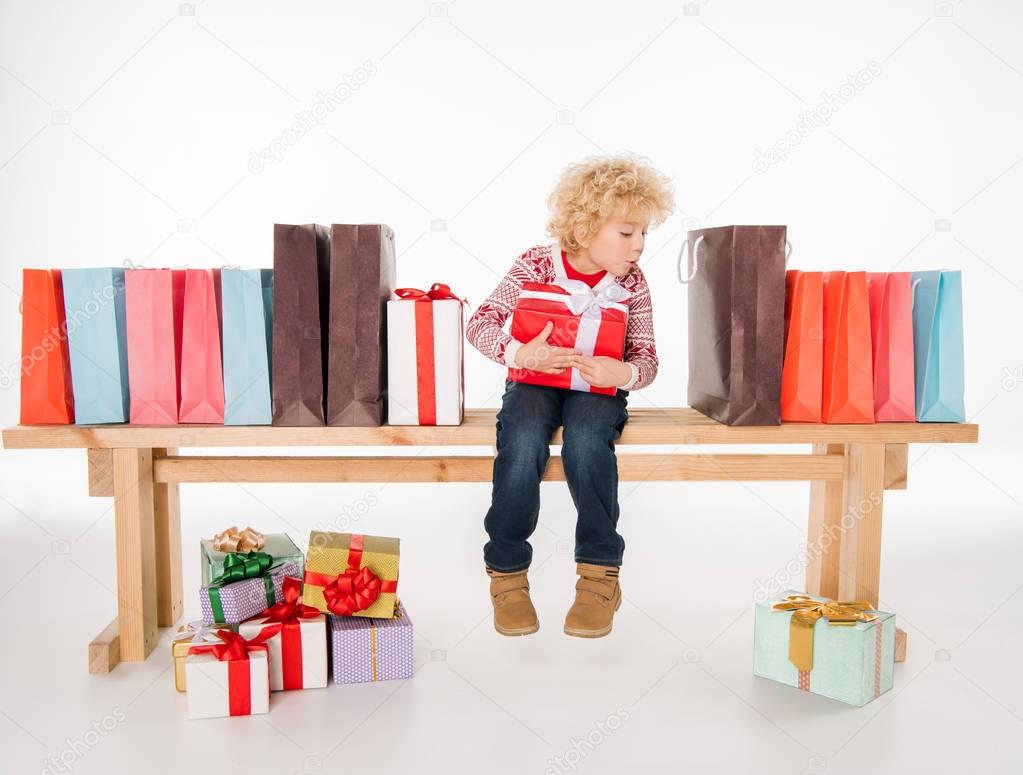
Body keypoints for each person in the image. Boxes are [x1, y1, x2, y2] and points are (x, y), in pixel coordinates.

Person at [465, 154, 674, 638]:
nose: (639, 246)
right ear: (582, 230)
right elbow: (481, 324)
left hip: (596, 389)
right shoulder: (535, 263)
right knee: (522, 443)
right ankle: (507, 573)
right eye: (627, 233)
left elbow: (646, 359)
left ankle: (600, 573)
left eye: (644, 233)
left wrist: (619, 370)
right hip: (534, 382)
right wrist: (522, 353)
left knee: (585, 441)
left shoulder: (633, 282)